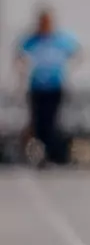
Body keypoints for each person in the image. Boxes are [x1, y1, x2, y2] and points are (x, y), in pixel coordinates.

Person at [15, 9, 80, 166]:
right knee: (38, 123)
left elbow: (76, 52)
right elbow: (19, 54)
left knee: (51, 121)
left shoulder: (59, 39)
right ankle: (45, 154)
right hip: (37, 86)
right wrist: (21, 73)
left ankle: (57, 155)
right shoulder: (32, 40)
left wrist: (67, 70)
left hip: (54, 86)